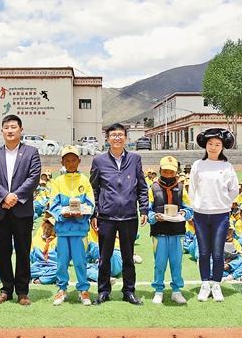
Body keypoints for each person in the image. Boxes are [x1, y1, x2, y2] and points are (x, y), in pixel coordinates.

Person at [0, 114, 42, 306]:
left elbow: (34, 177)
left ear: (21, 130)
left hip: (22, 210)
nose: (10, 130)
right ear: (2, 131)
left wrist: (15, 196)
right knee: (3, 252)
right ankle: (6, 289)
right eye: (6, 127)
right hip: (1, 210)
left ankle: (22, 292)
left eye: (13, 127)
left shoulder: (31, 152)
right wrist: (4, 196)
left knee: (23, 251)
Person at [89, 123, 148, 305]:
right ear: (107, 139)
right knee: (104, 257)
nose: (117, 138)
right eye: (113, 135)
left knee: (128, 257)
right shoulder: (99, 161)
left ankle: (129, 291)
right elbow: (94, 189)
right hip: (106, 216)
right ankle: (103, 291)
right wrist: (94, 213)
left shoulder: (135, 159)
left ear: (125, 138)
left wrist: (144, 208)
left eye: (120, 135)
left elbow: (142, 186)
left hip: (129, 216)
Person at [188, 127, 238, 302]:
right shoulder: (197, 165)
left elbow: (234, 190)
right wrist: (195, 206)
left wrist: (223, 202)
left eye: (217, 144)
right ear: (205, 145)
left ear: (222, 147)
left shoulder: (227, 166)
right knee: (203, 252)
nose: (214, 147)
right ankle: (205, 284)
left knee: (217, 253)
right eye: (210, 143)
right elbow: (192, 189)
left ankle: (216, 284)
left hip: (221, 215)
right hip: (200, 214)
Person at [48, 146, 95, 306]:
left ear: (79, 161)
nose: (71, 163)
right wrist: (63, 214)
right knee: (62, 262)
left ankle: (83, 289)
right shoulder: (58, 182)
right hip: (63, 231)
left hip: (79, 231)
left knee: (80, 262)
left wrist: (82, 214)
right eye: (67, 160)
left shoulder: (85, 180)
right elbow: (53, 204)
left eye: (74, 160)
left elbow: (90, 203)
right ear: (62, 162)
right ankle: (62, 289)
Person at [147, 155, 193, 305]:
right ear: (160, 170)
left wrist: (184, 213)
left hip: (177, 232)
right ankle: (158, 290)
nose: (168, 175)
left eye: (171, 172)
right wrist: (154, 217)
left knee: (176, 263)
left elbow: (189, 209)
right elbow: (148, 210)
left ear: (176, 172)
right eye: (165, 171)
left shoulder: (181, 188)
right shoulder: (153, 188)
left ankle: (176, 291)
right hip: (159, 232)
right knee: (159, 263)